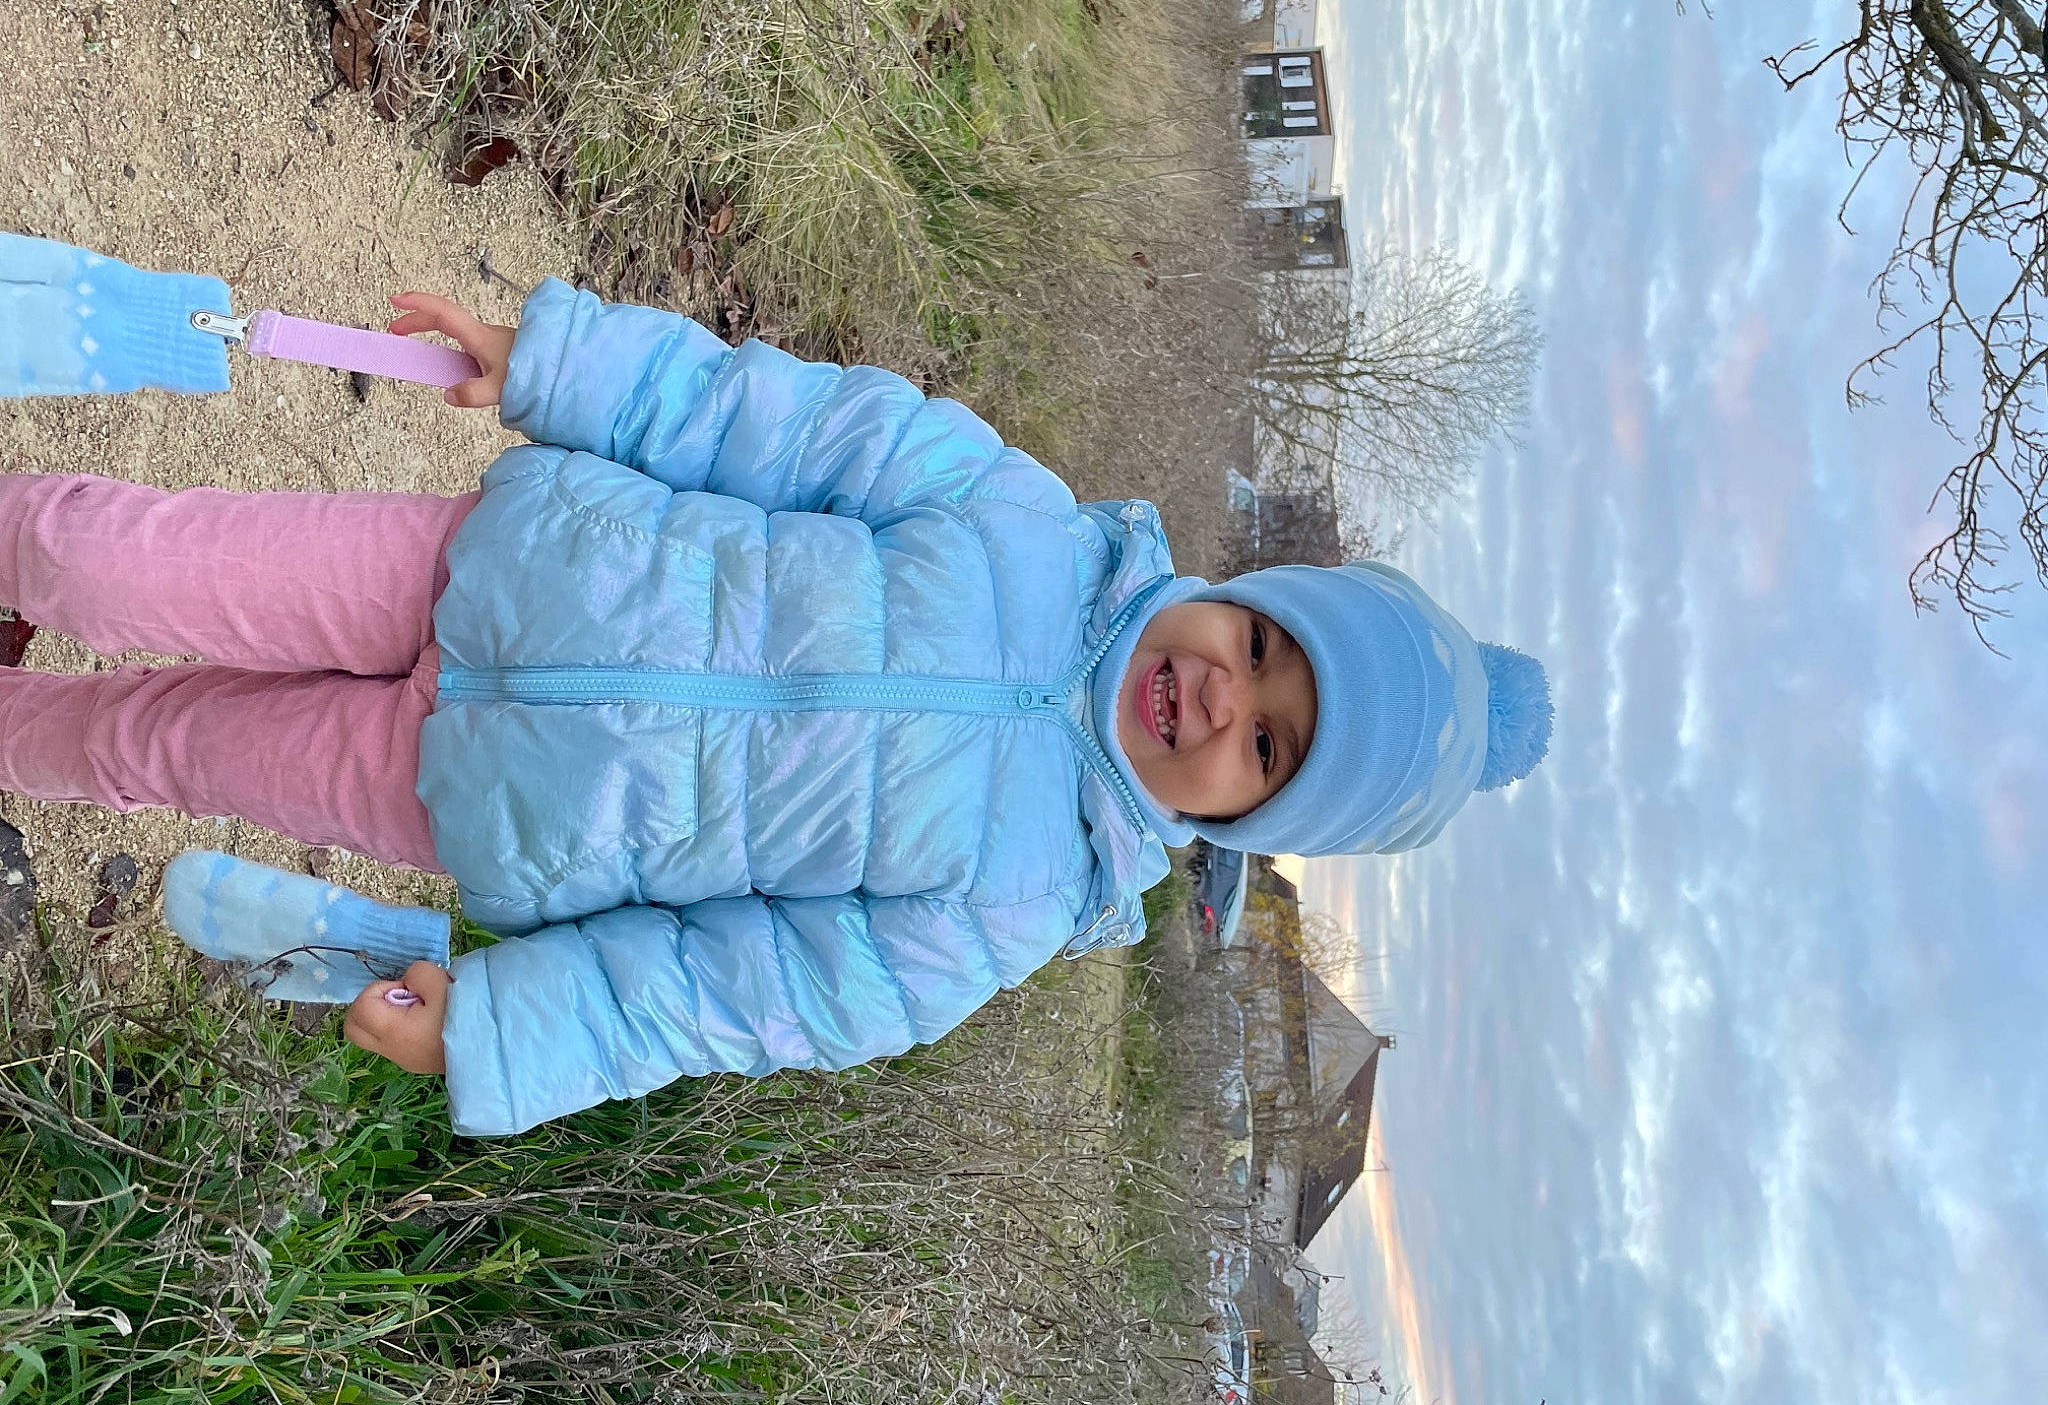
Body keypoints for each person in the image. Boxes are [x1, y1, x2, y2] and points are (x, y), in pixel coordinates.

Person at [0, 280, 1552, 1135]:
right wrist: (564, 363)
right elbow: (776, 423)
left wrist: (511, 1030)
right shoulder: (1020, 517)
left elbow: (726, 993)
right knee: (109, 556)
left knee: (156, 743)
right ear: (1246, 591)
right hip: (496, 569)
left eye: (1267, 746)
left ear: (1244, 820)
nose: (1221, 695)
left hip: (463, 801)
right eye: (1264, 643)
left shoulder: (1010, 906)